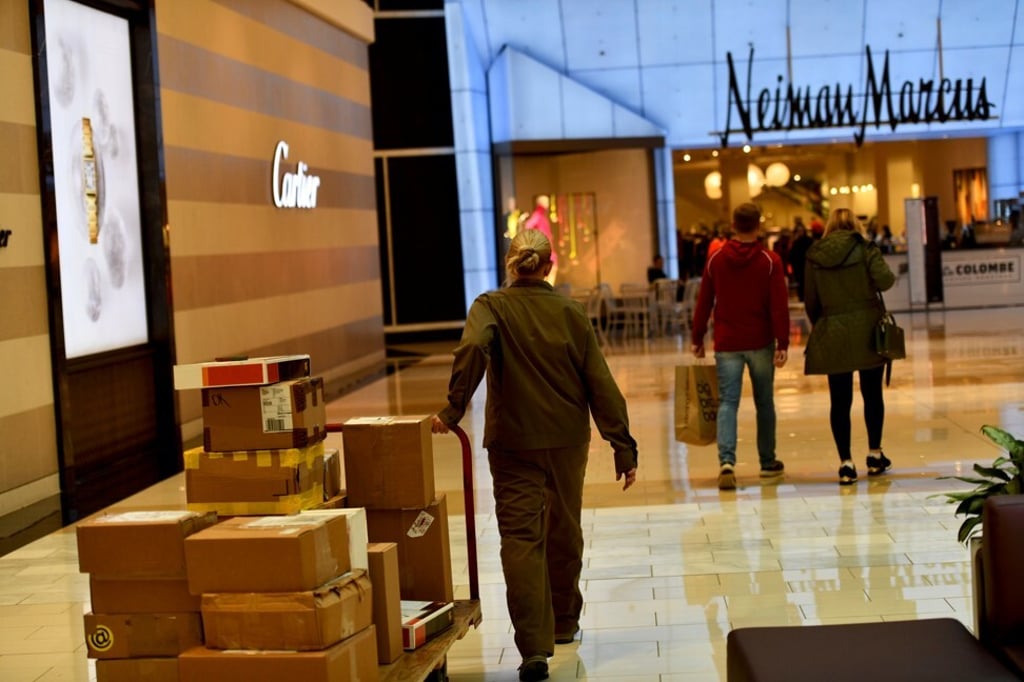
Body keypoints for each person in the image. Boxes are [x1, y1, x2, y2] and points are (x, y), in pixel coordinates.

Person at [432, 228, 638, 682]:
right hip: (566, 440)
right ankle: (564, 623)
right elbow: (599, 381)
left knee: (521, 541)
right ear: (549, 266)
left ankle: (533, 651)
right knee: (565, 528)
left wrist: (454, 406)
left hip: (513, 443)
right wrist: (621, 444)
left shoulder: (490, 306)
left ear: (511, 264)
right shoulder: (570, 312)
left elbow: (471, 346)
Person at [691, 202, 790, 490]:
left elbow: (704, 302)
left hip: (728, 343)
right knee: (764, 402)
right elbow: (778, 307)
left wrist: (698, 338)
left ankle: (726, 462)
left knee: (728, 402)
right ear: (758, 226)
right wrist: (782, 341)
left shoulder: (716, 259)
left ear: (733, 225)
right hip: (760, 341)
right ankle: (768, 463)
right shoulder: (770, 261)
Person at [803, 208, 896, 485]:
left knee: (839, 401)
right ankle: (875, 454)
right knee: (872, 394)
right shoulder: (865, 248)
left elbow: (810, 300)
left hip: (833, 330)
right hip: (868, 329)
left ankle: (846, 463)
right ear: (856, 225)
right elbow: (886, 281)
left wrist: (824, 323)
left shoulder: (815, 255)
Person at [524, 194, 558, 284]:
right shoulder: (538, 214)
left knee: (551, 270)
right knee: (550, 271)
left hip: (546, 247)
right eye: (546, 201)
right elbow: (528, 226)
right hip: (543, 249)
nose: (548, 204)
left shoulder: (542, 215)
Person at [788, 222, 813, 301]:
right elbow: (791, 256)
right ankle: (802, 298)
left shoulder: (808, 241)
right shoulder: (795, 242)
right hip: (798, 267)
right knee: (800, 283)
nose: (800, 232)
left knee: (807, 283)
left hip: (806, 265)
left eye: (801, 230)